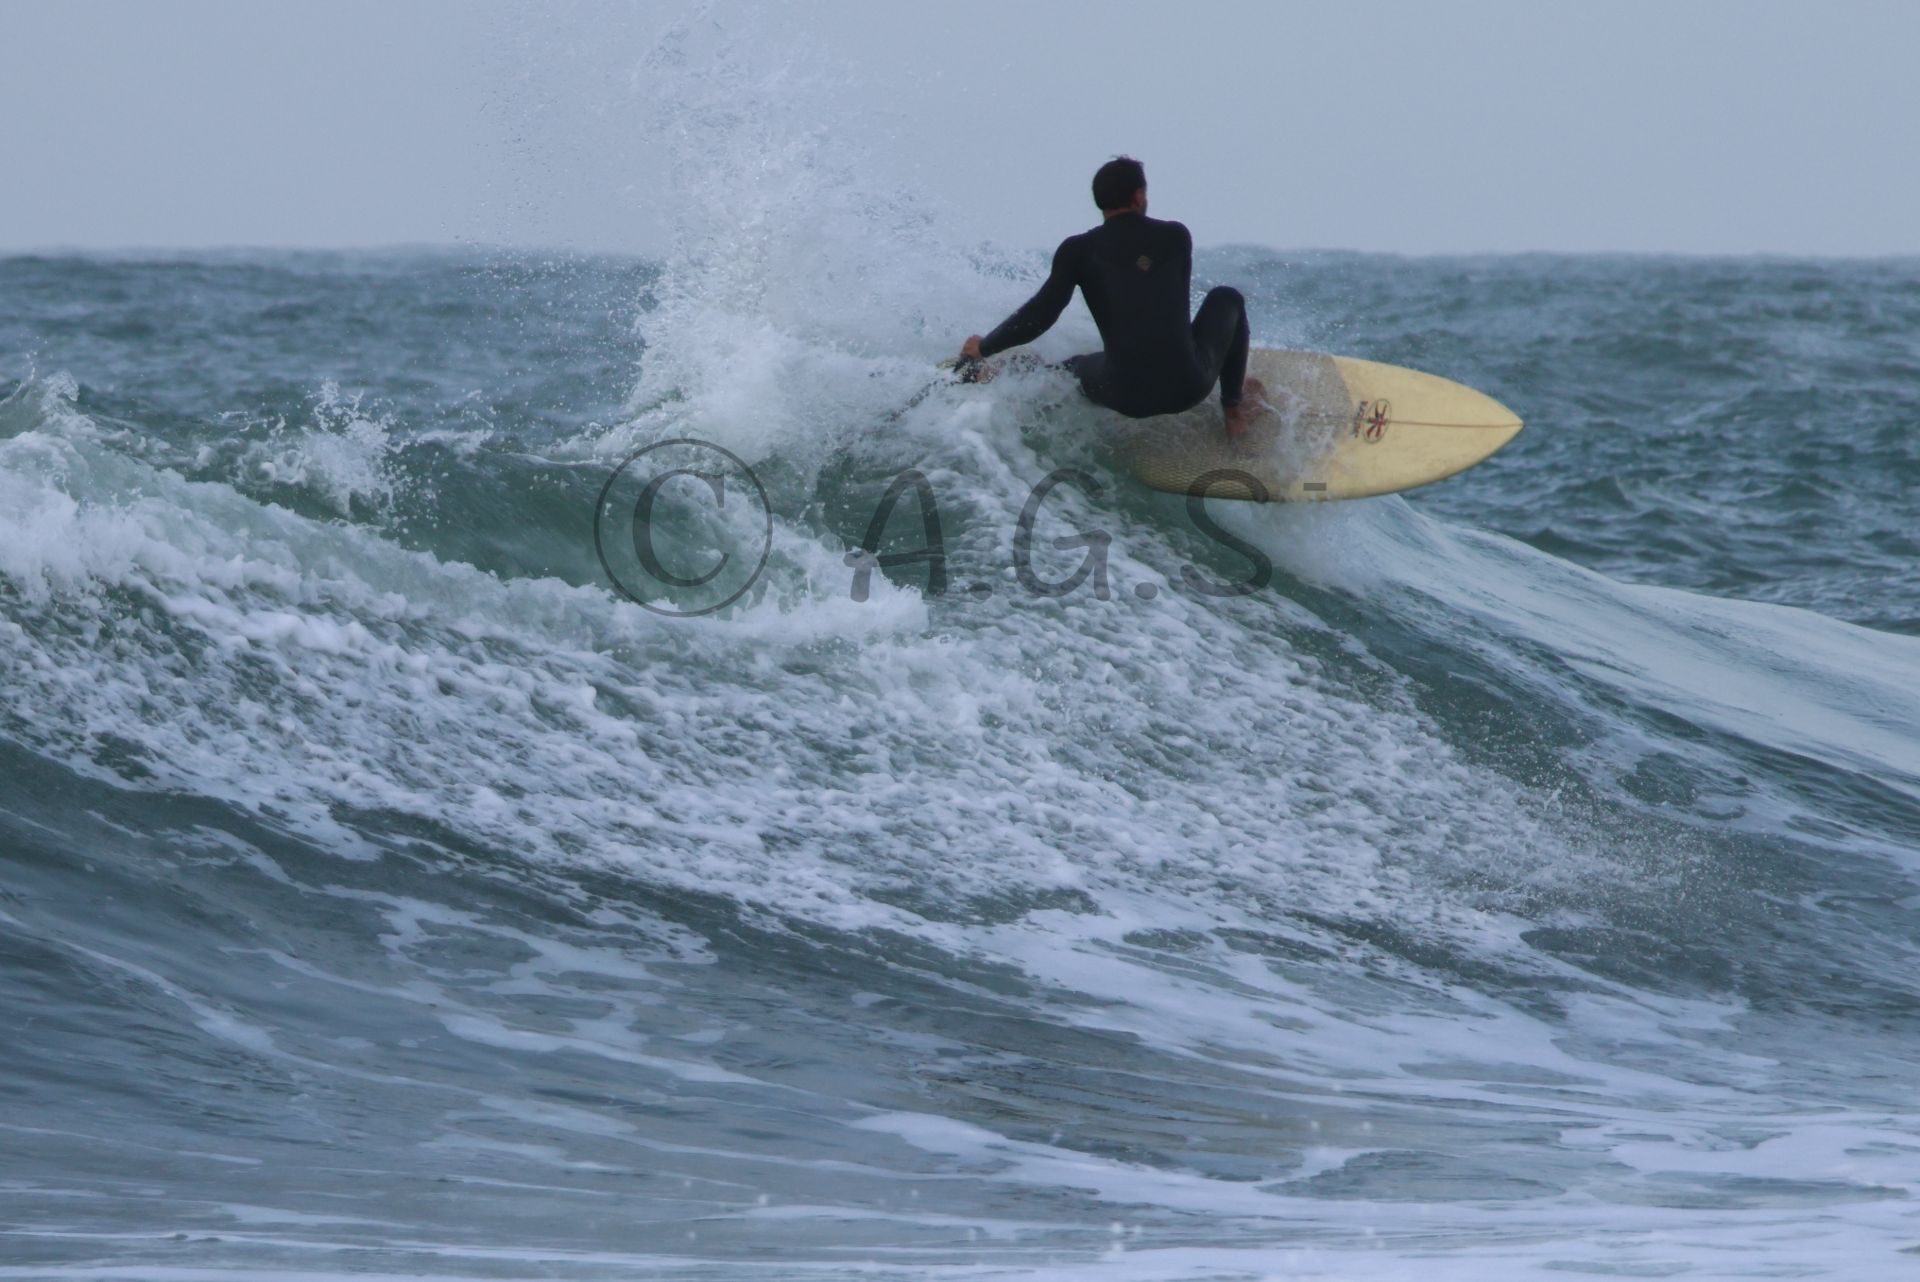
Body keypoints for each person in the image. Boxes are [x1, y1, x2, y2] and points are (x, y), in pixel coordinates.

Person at [959, 156, 1265, 436]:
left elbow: (1041, 314)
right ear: (1139, 196)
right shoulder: (1175, 237)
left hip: (1122, 393)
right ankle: (1234, 411)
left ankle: (997, 374)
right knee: (1228, 297)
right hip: (1187, 387)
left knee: (1072, 369)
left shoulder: (1077, 251)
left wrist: (985, 346)